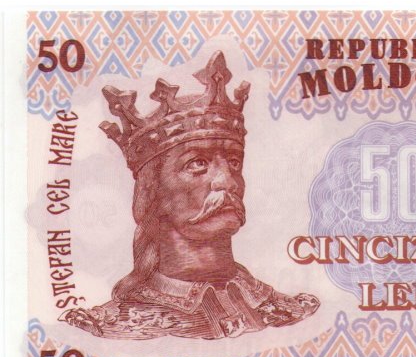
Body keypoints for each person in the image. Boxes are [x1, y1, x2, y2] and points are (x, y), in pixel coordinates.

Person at [63, 51, 319, 340]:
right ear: (150, 192)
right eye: (197, 163)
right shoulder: (108, 327)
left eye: (234, 162)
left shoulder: (291, 313)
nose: (227, 181)